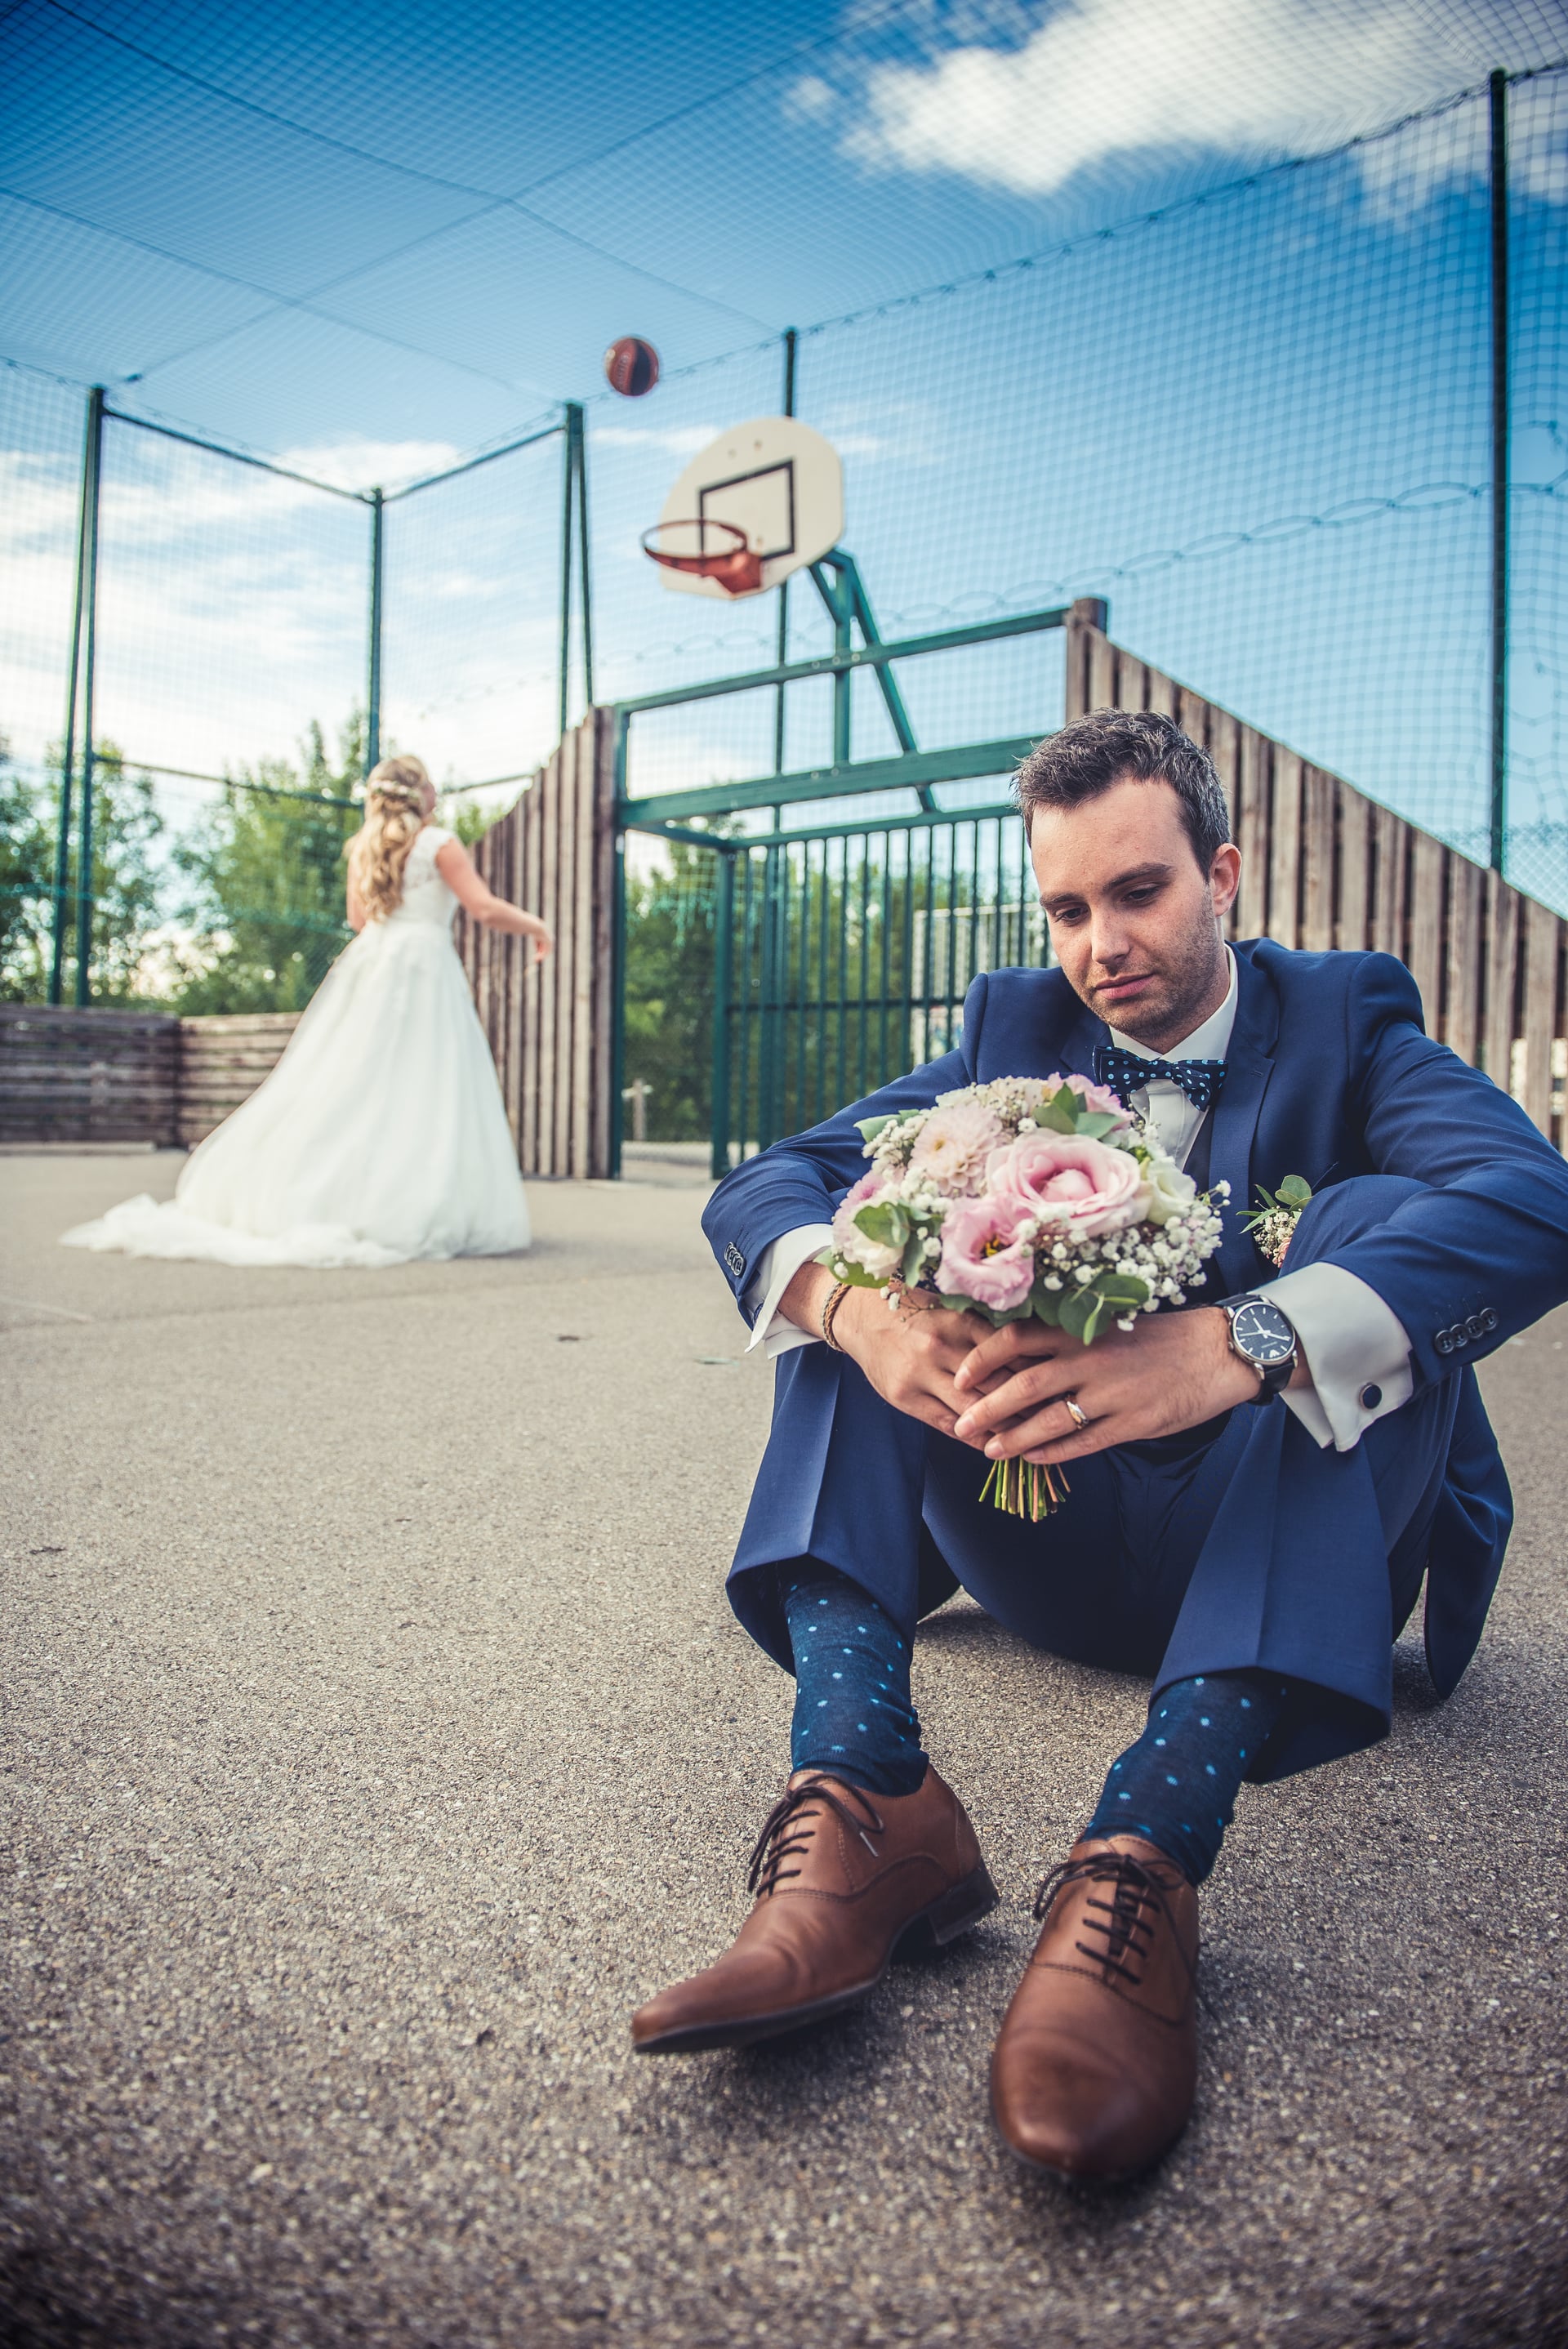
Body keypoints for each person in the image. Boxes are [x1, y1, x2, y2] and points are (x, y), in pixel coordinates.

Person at [630, 707, 1568, 2183]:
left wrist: (1239, 1342)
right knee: (869, 1259)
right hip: (1049, 1539)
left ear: (1224, 874)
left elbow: (1535, 1203)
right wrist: (858, 1305)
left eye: (1137, 891)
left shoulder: (1347, 1019)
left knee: (1369, 1232)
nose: (1099, 943)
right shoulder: (1012, 1032)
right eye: (1067, 907)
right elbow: (773, 1182)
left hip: (1285, 1552)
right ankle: (867, 1795)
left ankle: (1142, 1854)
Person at [63, 756, 551, 1269]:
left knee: (348, 1081)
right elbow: (484, 907)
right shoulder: (439, 843)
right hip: (424, 966)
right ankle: (406, 1201)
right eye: (430, 784)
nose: (436, 793)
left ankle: (310, 1193)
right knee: (424, 1082)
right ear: (420, 794)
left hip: (374, 966)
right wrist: (538, 927)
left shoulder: (364, 846)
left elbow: (358, 919)